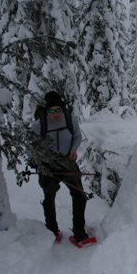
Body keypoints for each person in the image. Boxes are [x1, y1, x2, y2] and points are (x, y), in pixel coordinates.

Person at [31, 91, 94, 247]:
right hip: (48, 167)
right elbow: (32, 147)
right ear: (46, 110)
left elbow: (77, 136)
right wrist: (38, 162)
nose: (56, 114)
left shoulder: (70, 119)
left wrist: (73, 149)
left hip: (67, 162)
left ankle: (79, 233)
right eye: (52, 111)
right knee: (49, 196)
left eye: (58, 110)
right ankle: (52, 230)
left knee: (79, 195)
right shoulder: (39, 126)